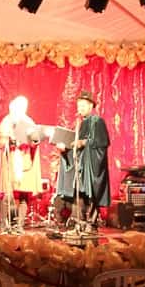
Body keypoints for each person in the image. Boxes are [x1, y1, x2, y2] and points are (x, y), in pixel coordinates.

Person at [56, 90, 110, 233]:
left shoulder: (97, 121)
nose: (81, 108)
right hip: (80, 165)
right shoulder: (79, 124)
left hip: (92, 165)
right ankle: (79, 223)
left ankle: (91, 224)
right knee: (79, 193)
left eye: (84, 105)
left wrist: (83, 143)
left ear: (91, 105)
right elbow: (74, 146)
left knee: (91, 192)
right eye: (79, 105)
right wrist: (65, 149)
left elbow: (101, 142)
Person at [0, 95, 43, 233]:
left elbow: (34, 139)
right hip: (12, 160)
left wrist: (34, 141)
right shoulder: (7, 121)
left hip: (25, 160)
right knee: (8, 194)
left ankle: (20, 224)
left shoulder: (28, 121)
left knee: (24, 195)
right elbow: (1, 141)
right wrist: (10, 141)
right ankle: (3, 225)